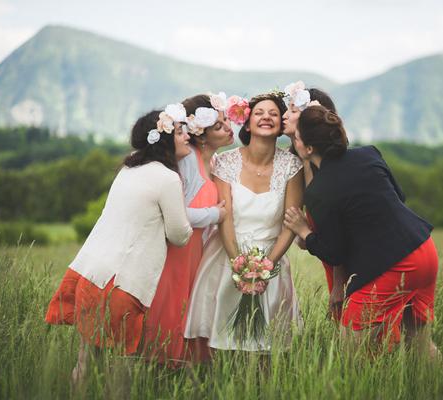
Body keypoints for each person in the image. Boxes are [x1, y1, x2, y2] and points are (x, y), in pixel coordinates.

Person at [284, 105, 443, 368]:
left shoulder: (319, 191)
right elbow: (399, 197)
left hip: (396, 265)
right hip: (425, 250)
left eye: (296, 138)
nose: (294, 144)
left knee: (351, 354)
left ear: (309, 148)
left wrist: (304, 231)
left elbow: (334, 252)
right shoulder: (368, 154)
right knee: (419, 342)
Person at [44, 105, 193, 383]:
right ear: (163, 138)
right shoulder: (168, 178)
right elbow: (179, 234)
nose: (187, 136)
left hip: (93, 274)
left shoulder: (128, 169)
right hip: (122, 283)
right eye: (181, 131)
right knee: (119, 373)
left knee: (86, 364)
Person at [184, 92, 304, 352]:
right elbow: (224, 218)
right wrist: (239, 266)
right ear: (247, 123)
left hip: (272, 260)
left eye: (273, 113)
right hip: (226, 258)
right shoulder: (225, 162)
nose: (266, 117)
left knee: (266, 349)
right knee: (219, 344)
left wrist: (266, 267)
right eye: (259, 112)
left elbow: (290, 224)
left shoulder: (292, 166)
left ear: (281, 125)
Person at [142, 93, 234, 365]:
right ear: (202, 136)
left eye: (226, 120)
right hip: (178, 252)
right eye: (219, 126)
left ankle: (191, 373)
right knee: (172, 309)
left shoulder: (216, 162)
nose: (229, 128)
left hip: (199, 253)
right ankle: (161, 371)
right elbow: (175, 213)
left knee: (193, 310)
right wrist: (215, 214)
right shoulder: (188, 161)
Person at [281, 81, 346, 321]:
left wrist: (339, 284)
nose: (284, 115)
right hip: (328, 253)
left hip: (345, 258)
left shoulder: (329, 165)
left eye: (293, 110)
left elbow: (341, 228)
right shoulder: (296, 161)